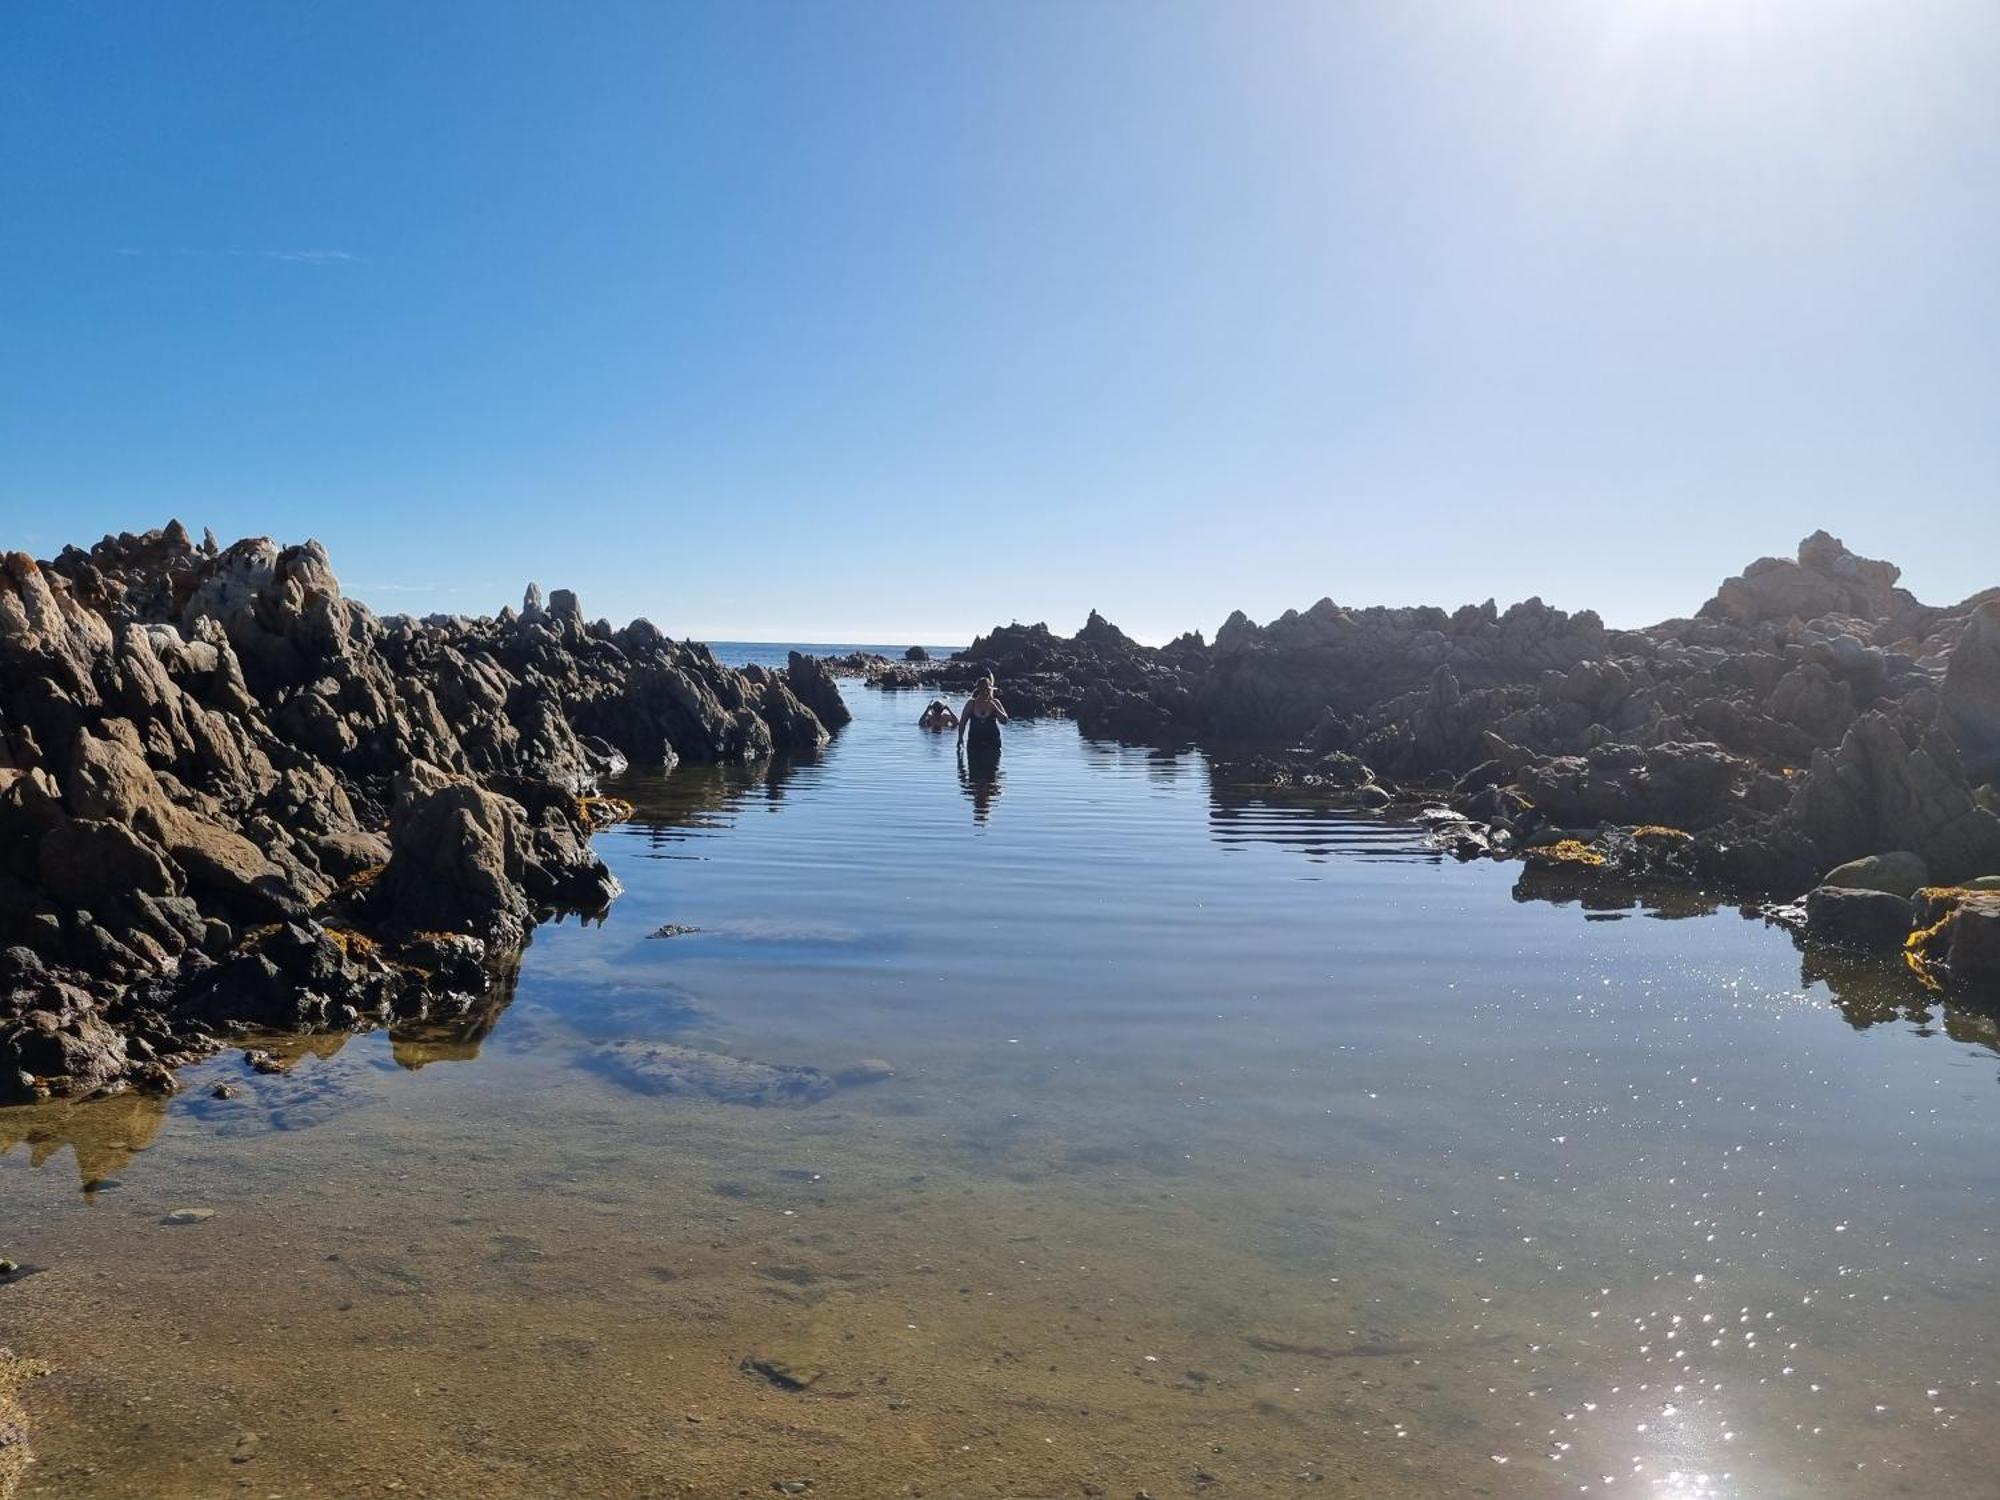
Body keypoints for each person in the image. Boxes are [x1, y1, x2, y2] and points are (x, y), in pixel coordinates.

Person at [956, 676, 1009, 757]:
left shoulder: (995, 702)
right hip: (975, 743)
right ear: (978, 690)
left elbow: (1004, 721)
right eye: (982, 690)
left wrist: (995, 707)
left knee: (992, 768)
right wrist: (960, 738)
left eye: (987, 689)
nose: (985, 692)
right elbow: (963, 722)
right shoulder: (971, 703)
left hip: (992, 743)